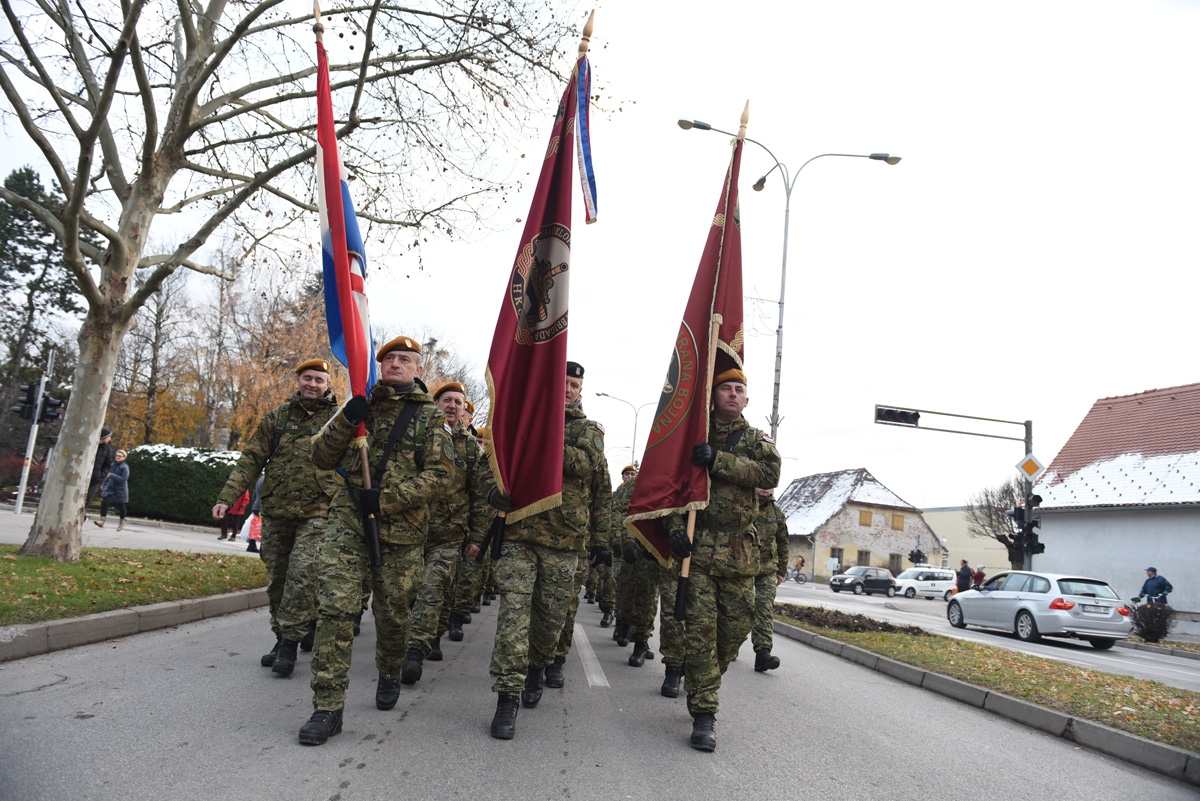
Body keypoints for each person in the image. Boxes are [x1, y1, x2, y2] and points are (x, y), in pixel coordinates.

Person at [299, 336, 455, 745]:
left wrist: (386, 500)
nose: (395, 365)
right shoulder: (360, 404)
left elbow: (440, 477)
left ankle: (389, 668)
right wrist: (348, 419)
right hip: (348, 523)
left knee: (393, 614)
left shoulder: (429, 420)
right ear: (378, 365)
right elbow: (320, 455)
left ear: (419, 369)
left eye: (405, 360)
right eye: (389, 359)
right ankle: (327, 708)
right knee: (336, 611)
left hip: (400, 536)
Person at [482, 360, 612, 740]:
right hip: (520, 534)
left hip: (564, 540)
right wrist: (496, 496)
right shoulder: (520, 420)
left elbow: (586, 468)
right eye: (562, 382)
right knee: (512, 619)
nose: (568, 389)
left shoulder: (588, 431)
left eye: (574, 385)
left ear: (580, 391)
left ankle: (538, 665)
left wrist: (601, 541)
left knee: (550, 620)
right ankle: (507, 697)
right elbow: (492, 472)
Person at [667, 368, 781, 751]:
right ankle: (704, 714)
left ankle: (704, 679)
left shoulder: (754, 440)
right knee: (700, 635)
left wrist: (719, 460)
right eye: (726, 389)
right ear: (713, 396)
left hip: (740, 556)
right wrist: (674, 529)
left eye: (739, 390)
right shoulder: (692, 436)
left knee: (733, 635)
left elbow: (770, 472)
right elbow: (670, 488)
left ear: (747, 400)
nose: (733, 394)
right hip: (698, 554)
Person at [213, 358, 341, 676]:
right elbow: (252, 459)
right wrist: (227, 498)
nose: (312, 384)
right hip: (277, 510)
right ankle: (285, 633)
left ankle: (288, 644)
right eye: (307, 378)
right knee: (278, 579)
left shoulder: (338, 420)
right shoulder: (279, 418)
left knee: (302, 574)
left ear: (328, 385)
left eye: (319, 380)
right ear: (298, 381)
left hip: (319, 512)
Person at [401, 381, 489, 684]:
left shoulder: (470, 448)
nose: (452, 406)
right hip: (410, 529)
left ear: (464, 410)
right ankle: (427, 635)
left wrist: (477, 537)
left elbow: (479, 496)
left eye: (458, 402)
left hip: (450, 534)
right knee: (407, 592)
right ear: (435, 403)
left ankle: (415, 650)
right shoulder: (416, 435)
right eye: (446, 400)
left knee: (433, 588)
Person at [750, 487, 788, 672]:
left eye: (769, 484)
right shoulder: (743, 505)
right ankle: (729, 646)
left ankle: (762, 653)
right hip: (742, 569)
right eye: (761, 483)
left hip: (767, 570)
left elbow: (783, 542)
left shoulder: (776, 512)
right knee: (737, 611)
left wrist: (781, 570)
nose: (765, 488)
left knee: (764, 609)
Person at [93, 450, 129, 530]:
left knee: (121, 506)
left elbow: (123, 479)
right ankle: (102, 521)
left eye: (120, 456)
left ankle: (122, 521)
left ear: (124, 458)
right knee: (105, 502)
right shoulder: (113, 465)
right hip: (110, 488)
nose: (117, 457)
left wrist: (112, 475)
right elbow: (108, 476)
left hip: (120, 489)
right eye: (117, 455)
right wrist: (103, 484)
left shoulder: (124, 467)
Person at [85, 428, 115, 511]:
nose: (110, 439)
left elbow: (108, 464)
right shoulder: (89, 444)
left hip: (94, 479)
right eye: (109, 437)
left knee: (87, 500)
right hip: (82, 477)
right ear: (103, 436)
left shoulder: (107, 448)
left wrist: (100, 475)